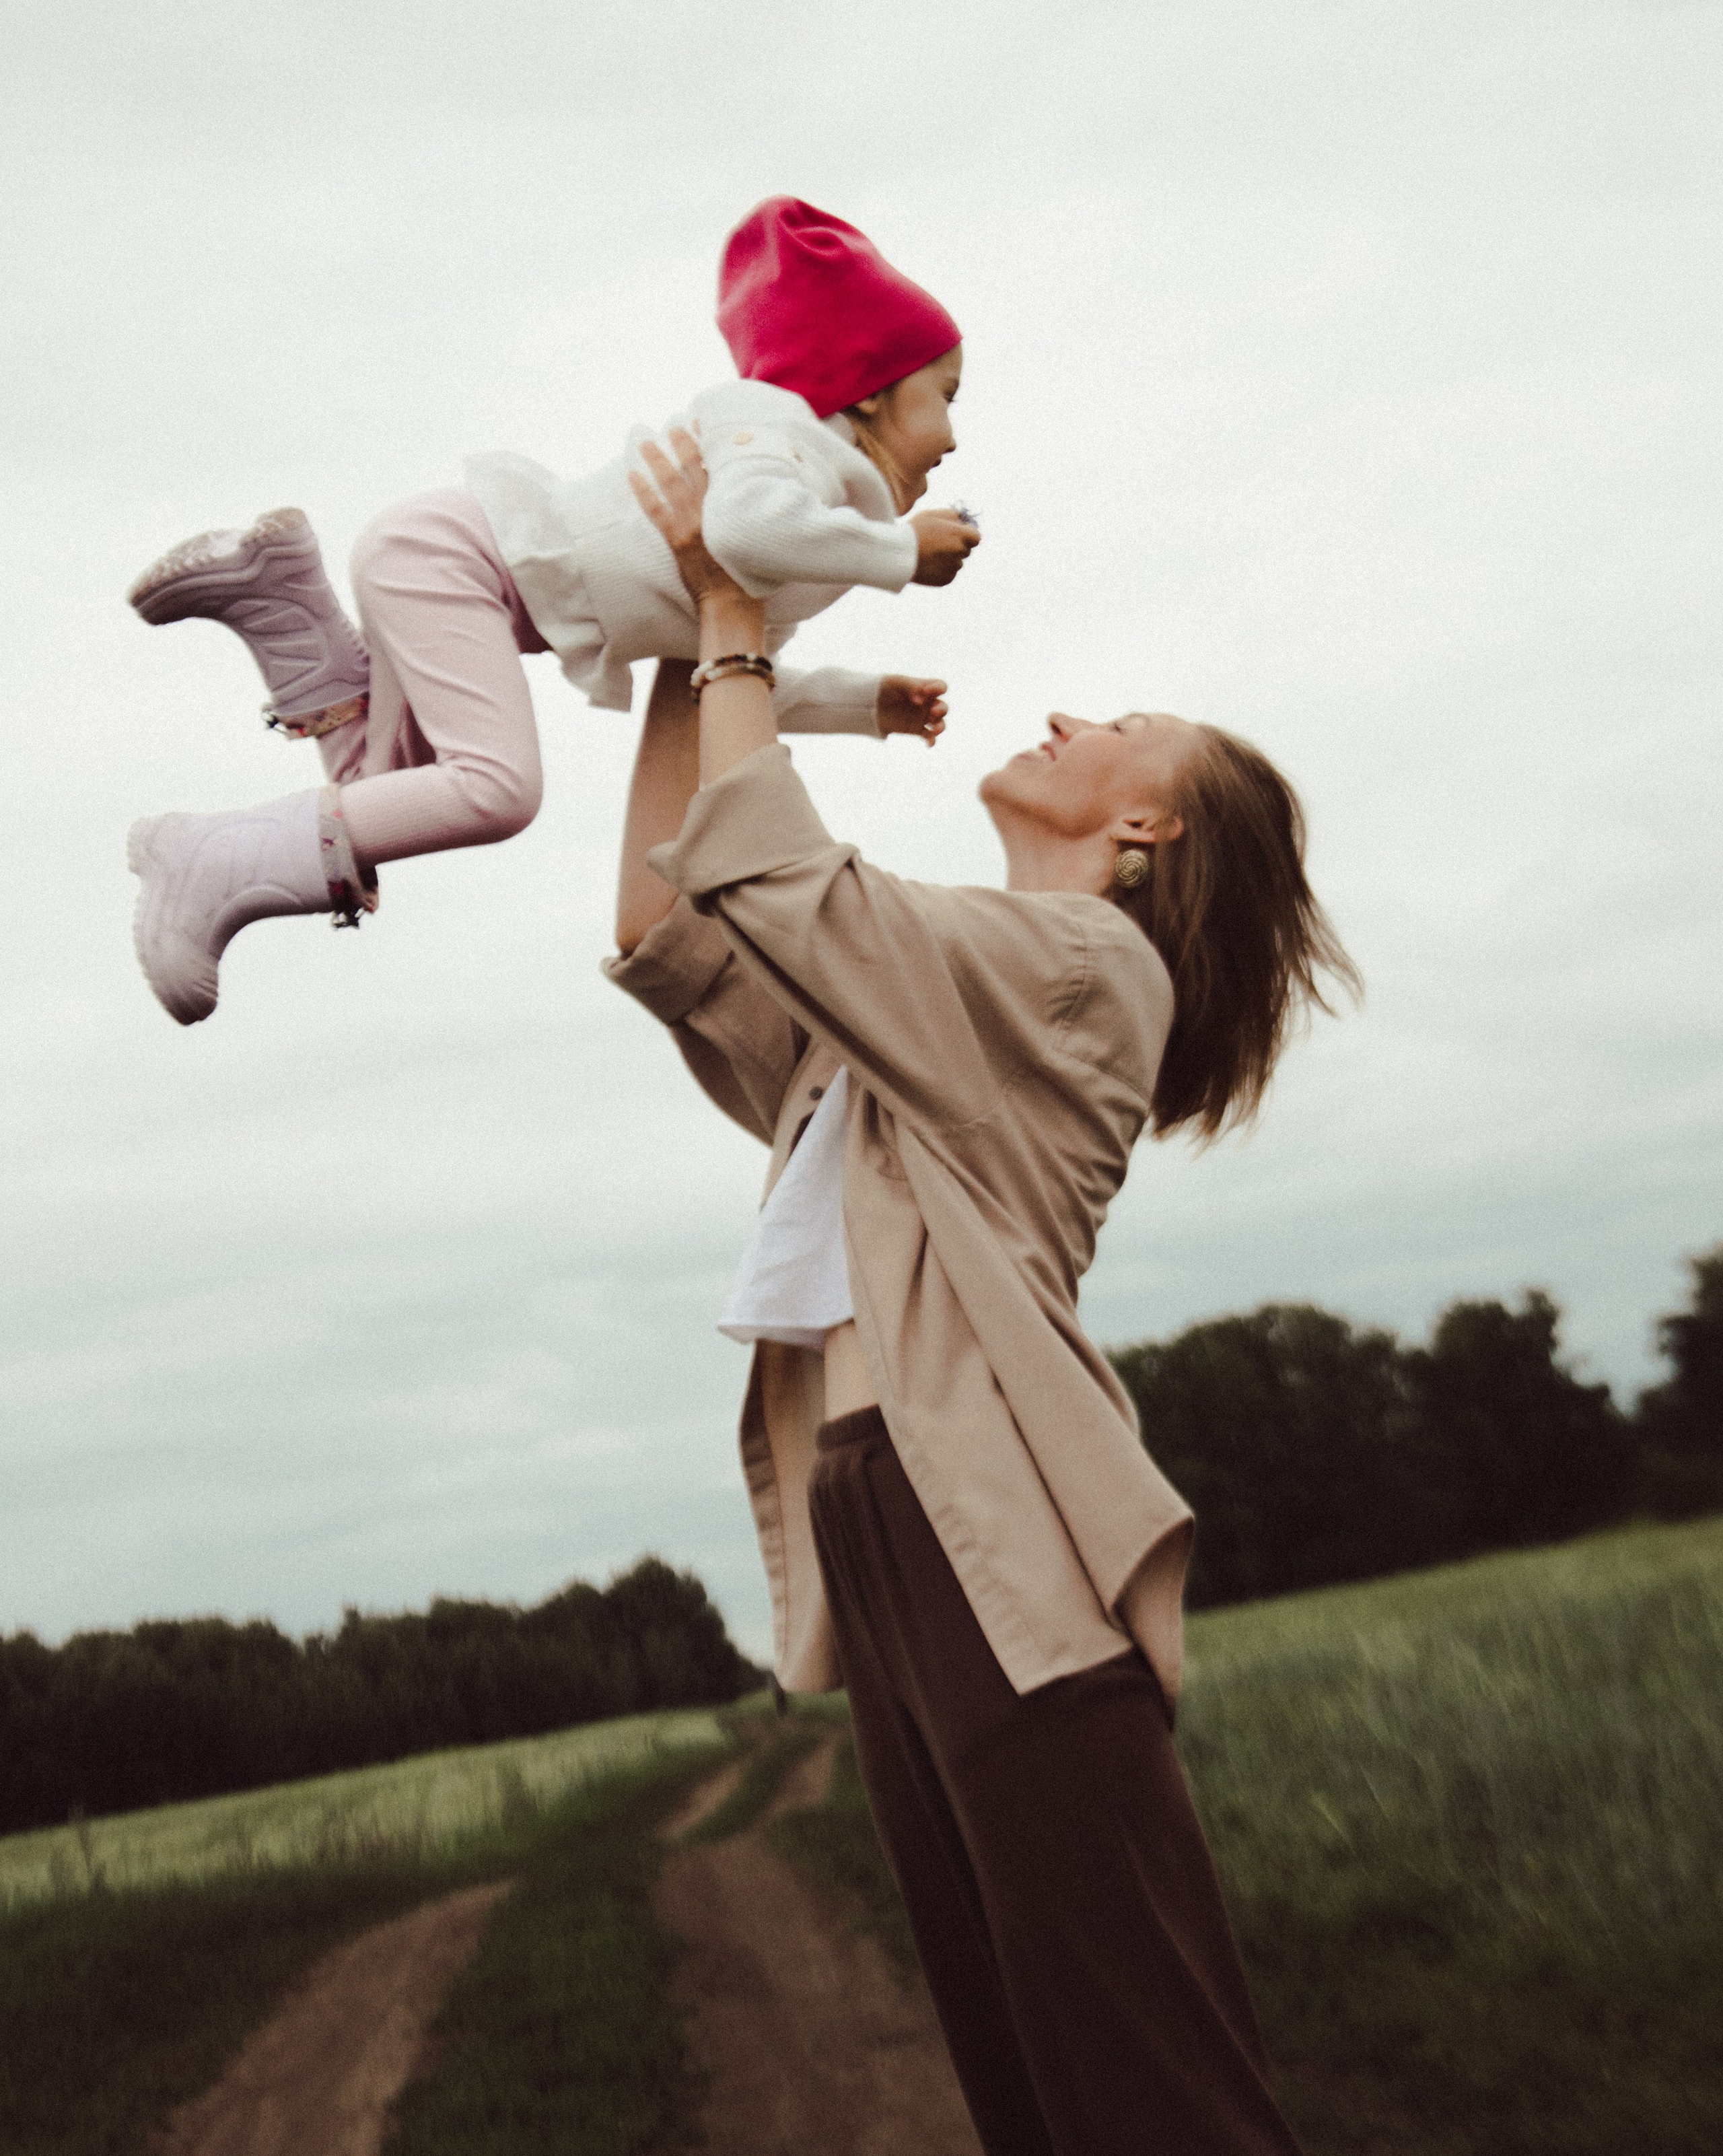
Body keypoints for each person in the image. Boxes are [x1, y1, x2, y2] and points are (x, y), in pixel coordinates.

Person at [606, 435, 1359, 2156]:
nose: (1073, 714)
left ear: (1143, 825)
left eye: (1121, 725)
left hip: (981, 1519)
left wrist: (735, 612)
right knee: (1027, 2073)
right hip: (876, 1504)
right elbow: (673, 916)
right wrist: (670, 633)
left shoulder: (1092, 971)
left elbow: (779, 880)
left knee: (1148, 2085)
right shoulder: (904, 1009)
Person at [123, 197, 977, 1024]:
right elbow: (746, 524)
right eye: (946, 395)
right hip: (452, 558)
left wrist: (865, 704)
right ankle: (201, 857)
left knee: (375, 796)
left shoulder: (809, 539)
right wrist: (903, 553)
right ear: (871, 386)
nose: (953, 434)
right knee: (495, 790)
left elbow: (734, 683)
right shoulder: (775, 429)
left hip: (452, 571)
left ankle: (282, 608)